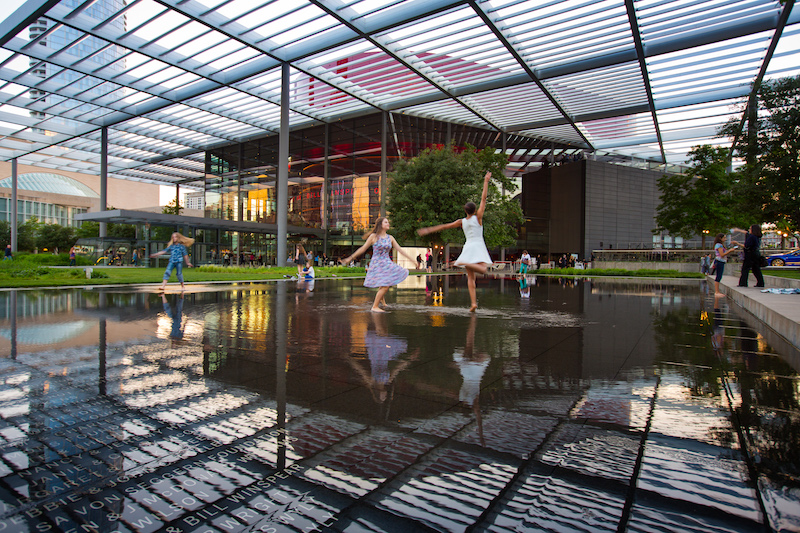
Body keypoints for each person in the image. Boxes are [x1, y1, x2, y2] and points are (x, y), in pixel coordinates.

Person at [417, 171, 493, 312]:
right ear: (475, 210)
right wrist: (486, 182)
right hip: (477, 245)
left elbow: (445, 226)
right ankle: (465, 263)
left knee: (471, 278)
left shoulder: (461, 221)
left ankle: (473, 304)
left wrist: (428, 230)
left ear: (465, 211)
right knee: (483, 269)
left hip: (468, 246)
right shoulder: (478, 218)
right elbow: (483, 199)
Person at [340, 217, 417, 312]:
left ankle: (383, 303)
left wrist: (413, 260)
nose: (388, 224)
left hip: (387, 263)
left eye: (388, 222)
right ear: (381, 224)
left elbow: (400, 250)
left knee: (384, 283)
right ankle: (375, 306)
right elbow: (363, 248)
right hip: (377, 263)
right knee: (385, 285)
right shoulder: (374, 236)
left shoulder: (390, 238)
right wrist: (349, 258)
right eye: (386, 222)